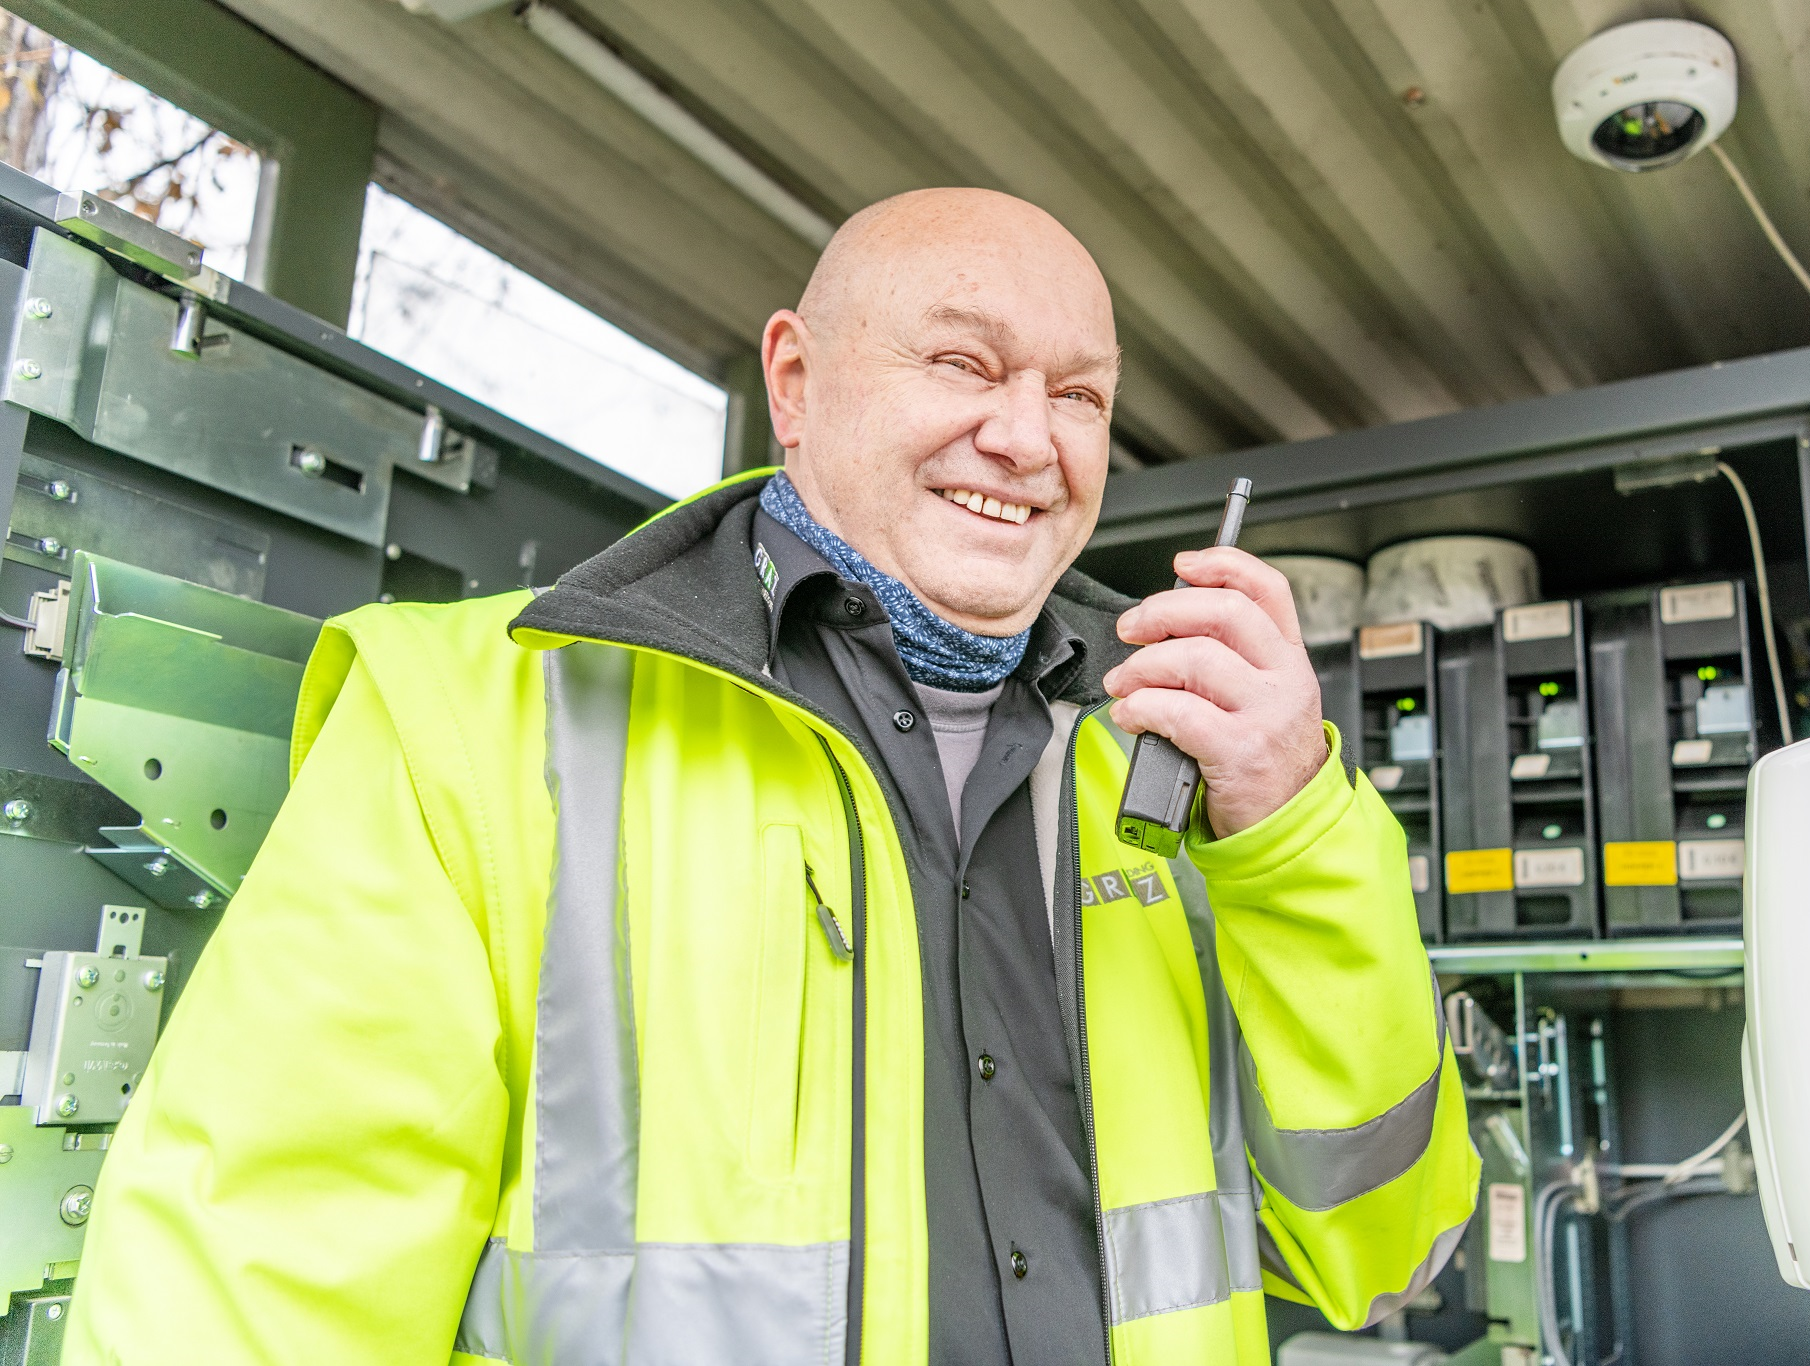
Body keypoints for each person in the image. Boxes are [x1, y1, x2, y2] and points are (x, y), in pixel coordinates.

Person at [65, 187, 1477, 1364]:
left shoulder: (1187, 772)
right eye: (964, 364)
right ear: (794, 383)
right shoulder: (473, 718)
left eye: (1080, 395)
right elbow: (251, 1295)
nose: (1029, 438)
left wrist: (1294, 827)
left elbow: (1380, 1249)